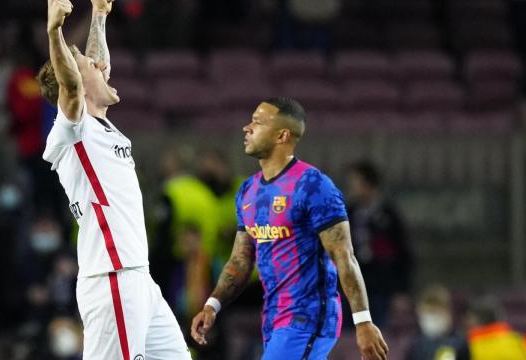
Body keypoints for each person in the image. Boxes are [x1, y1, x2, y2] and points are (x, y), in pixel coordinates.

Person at [36, 0, 190, 359]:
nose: (103, 66)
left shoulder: (101, 127)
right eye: (92, 66)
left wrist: (100, 14)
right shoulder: (73, 130)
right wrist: (54, 31)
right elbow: (73, 85)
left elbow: (90, 67)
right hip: (112, 278)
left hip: (138, 278)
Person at [191, 98, 389, 359]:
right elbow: (240, 260)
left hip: (307, 317)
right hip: (273, 316)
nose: (246, 128)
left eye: (258, 122)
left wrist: (363, 321)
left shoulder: (314, 186)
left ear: (282, 135)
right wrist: (212, 305)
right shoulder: (248, 191)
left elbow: (344, 255)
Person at [346, 160, 411, 328]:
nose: (352, 187)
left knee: (379, 329)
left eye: (355, 182)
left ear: (367, 184)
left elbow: (402, 253)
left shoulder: (388, 215)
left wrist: (401, 290)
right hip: (353, 282)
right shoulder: (349, 213)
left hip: (381, 285)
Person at [406, 285, 468, 360]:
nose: (432, 318)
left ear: (448, 312)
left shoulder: (460, 343)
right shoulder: (415, 344)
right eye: (428, 312)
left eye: (436, 312)